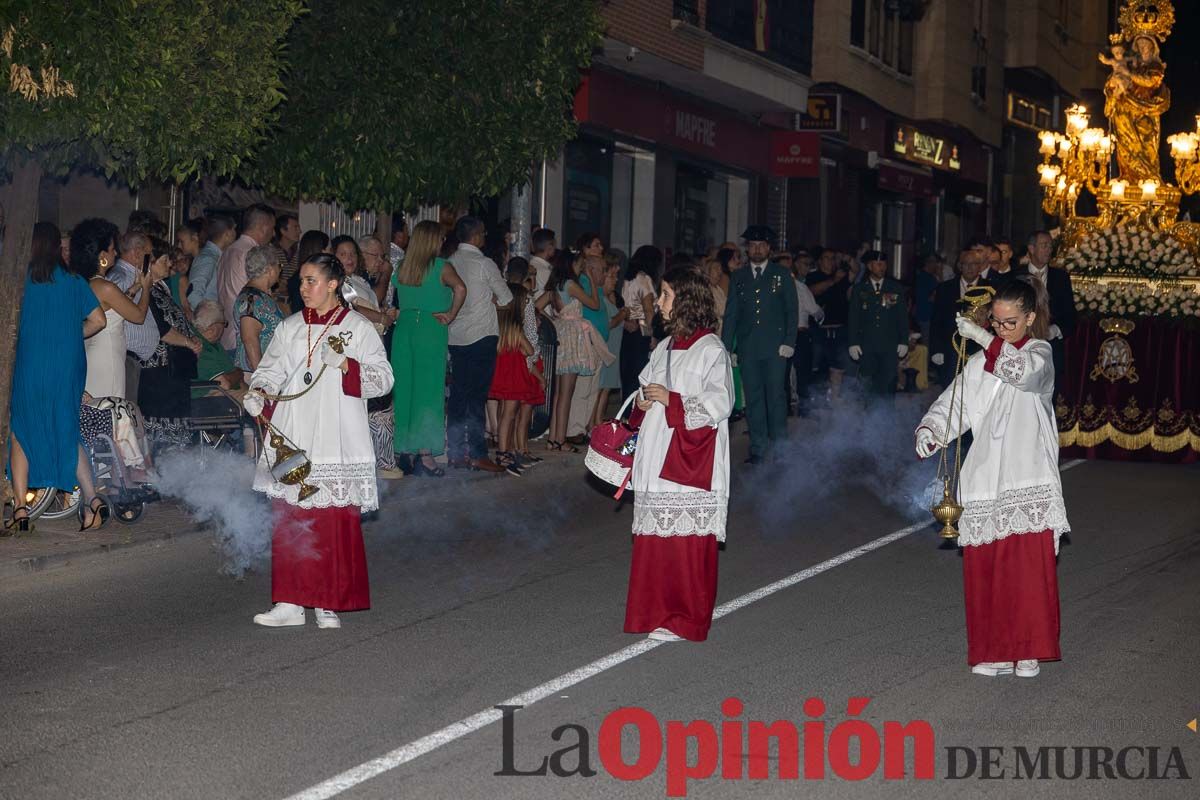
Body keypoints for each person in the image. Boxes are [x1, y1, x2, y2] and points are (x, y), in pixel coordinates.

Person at [915, 278, 1068, 678]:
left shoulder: (1040, 353)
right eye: (997, 323)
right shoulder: (983, 359)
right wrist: (931, 431)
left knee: (1025, 570)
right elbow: (958, 401)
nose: (1003, 330)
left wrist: (984, 338)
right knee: (990, 568)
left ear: (1030, 318)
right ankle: (996, 648)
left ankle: (1028, 648)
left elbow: (1022, 374)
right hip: (986, 473)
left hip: (1026, 473)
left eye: (1010, 323)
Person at [243, 253, 394, 629]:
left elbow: (384, 379)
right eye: (301, 281)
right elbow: (271, 370)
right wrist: (259, 390)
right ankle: (290, 602)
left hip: (336, 435)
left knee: (329, 519)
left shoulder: (358, 328)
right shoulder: (290, 326)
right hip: (294, 433)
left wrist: (347, 365)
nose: (303, 288)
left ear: (332, 285)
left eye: (311, 281)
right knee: (291, 517)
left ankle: (327, 602)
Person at [624, 266, 733, 643]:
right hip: (657, 453)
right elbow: (641, 391)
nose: (661, 301)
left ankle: (686, 619)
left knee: (685, 547)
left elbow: (721, 403)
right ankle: (655, 613)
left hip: (689, 459)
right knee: (656, 543)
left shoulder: (711, 349)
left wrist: (672, 400)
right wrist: (642, 398)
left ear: (686, 301)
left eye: (667, 294)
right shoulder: (665, 347)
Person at [7, 222, 110, 533]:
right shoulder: (75, 282)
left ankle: (21, 509)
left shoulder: (20, 282)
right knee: (67, 432)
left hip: (30, 366)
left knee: (21, 431)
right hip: (66, 368)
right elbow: (99, 319)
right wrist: (69, 336)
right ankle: (93, 501)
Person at [391, 220, 466, 478]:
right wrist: (451, 314)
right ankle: (425, 455)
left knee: (405, 390)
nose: (443, 242)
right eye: (441, 238)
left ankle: (403, 452)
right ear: (433, 241)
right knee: (429, 392)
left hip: (404, 328)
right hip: (431, 330)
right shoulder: (442, 267)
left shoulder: (402, 267)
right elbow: (460, 288)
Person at [721, 225, 798, 465]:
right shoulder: (739, 276)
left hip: (776, 348)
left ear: (769, 249)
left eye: (761, 245)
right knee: (753, 398)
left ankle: (780, 448)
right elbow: (731, 314)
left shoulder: (782, 275)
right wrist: (727, 348)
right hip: (748, 348)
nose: (757, 249)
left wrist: (789, 341)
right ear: (747, 249)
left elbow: (791, 311)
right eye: (752, 245)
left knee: (775, 397)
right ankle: (758, 448)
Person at [446, 217, 512, 472]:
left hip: (456, 335)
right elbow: (505, 297)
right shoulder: (484, 263)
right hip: (482, 335)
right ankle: (476, 453)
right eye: (483, 233)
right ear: (475, 237)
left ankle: (454, 452)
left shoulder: (450, 261)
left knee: (458, 396)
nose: (484, 237)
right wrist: (490, 299)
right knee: (476, 397)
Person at [538, 251, 610, 452]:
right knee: (566, 394)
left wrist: (554, 321)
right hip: (572, 339)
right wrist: (593, 284)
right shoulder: (570, 284)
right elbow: (594, 304)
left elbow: (535, 306)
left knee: (558, 394)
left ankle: (554, 438)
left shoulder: (554, 287)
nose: (582, 269)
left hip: (560, 335)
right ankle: (560, 440)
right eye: (580, 265)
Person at [138, 238, 203, 453]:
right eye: (165, 260)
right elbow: (161, 328)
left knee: (177, 429)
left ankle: (175, 476)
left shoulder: (161, 288)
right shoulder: (145, 291)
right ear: (152, 263)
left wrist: (192, 341)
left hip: (174, 369)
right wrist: (188, 343)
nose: (170, 265)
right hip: (159, 371)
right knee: (161, 432)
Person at [80, 219, 152, 399]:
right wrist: (146, 289)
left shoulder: (89, 282)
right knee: (109, 406)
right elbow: (138, 316)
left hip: (98, 351)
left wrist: (135, 288)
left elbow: (115, 307)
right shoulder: (105, 287)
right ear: (103, 256)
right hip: (107, 355)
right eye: (112, 250)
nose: (116, 253)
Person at [488, 283, 545, 476]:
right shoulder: (515, 330)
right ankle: (504, 453)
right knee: (509, 416)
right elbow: (529, 350)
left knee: (504, 413)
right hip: (513, 379)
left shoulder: (498, 328)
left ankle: (505, 450)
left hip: (500, 377)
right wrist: (522, 349)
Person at [1015, 231, 1076, 396]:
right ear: (1031, 248)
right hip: (1020, 348)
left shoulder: (1061, 277)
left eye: (1050, 246)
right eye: (1044, 245)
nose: (1049, 250)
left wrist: (1055, 330)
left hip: (1050, 350)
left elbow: (1070, 315)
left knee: (1049, 397)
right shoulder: (1015, 276)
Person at [566, 235, 610, 445]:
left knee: (592, 387)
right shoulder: (582, 283)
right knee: (583, 387)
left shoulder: (598, 288)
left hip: (596, 343)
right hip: (586, 341)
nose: (605, 274)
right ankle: (574, 429)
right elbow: (590, 307)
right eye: (602, 270)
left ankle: (582, 427)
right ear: (591, 270)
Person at [847, 250, 909, 400]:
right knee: (868, 384)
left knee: (888, 383)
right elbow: (853, 317)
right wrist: (853, 342)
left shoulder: (895, 288)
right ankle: (870, 420)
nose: (881, 267)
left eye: (884, 264)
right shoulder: (860, 289)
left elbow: (902, 316)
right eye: (878, 264)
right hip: (867, 345)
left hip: (889, 345)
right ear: (869, 266)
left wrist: (903, 341)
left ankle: (887, 419)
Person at [217, 203, 275, 352]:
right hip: (245, 336)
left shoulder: (228, 250)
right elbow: (256, 298)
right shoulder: (253, 254)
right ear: (264, 227)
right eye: (272, 228)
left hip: (226, 334)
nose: (273, 234)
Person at [807, 247, 855, 404]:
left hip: (840, 328)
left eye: (833, 258)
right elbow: (813, 291)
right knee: (817, 363)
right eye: (827, 258)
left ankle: (835, 397)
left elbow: (856, 270)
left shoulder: (842, 276)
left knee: (839, 362)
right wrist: (833, 280)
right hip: (819, 329)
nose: (831, 261)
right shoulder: (813, 276)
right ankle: (816, 399)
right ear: (820, 261)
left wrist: (847, 259)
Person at [930, 248, 986, 385]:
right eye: (966, 264)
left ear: (980, 266)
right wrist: (936, 349)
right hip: (951, 349)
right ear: (959, 266)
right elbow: (937, 321)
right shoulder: (945, 288)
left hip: (980, 349)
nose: (970, 268)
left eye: (974, 264)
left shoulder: (990, 288)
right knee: (950, 389)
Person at [233, 245, 284, 373]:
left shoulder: (259, 296)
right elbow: (249, 340)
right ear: (270, 269)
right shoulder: (251, 300)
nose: (280, 270)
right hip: (256, 375)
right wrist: (261, 378)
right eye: (279, 265)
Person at [620, 245, 660, 400]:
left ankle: (626, 413)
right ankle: (636, 415)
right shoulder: (644, 279)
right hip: (642, 329)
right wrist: (653, 335)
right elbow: (648, 310)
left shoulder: (628, 279)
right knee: (640, 373)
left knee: (628, 373)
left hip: (628, 328)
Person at [593, 257, 629, 428]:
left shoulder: (611, 298)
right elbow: (608, 323)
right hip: (606, 348)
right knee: (600, 388)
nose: (615, 280)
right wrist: (622, 315)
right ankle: (594, 423)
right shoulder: (600, 299)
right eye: (612, 276)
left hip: (614, 348)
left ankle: (597, 422)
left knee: (606, 388)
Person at [791, 264, 823, 416]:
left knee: (785, 376)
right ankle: (803, 411)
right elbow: (814, 310)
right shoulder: (800, 287)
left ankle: (789, 412)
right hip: (798, 334)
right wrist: (821, 314)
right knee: (803, 374)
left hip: (786, 336)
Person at [183, 215, 233, 308]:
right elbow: (193, 295)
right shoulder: (208, 258)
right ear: (228, 234)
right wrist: (209, 318)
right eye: (234, 230)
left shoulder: (217, 256)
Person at [288, 230, 331, 314]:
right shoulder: (314, 279)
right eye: (330, 249)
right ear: (323, 251)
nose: (332, 253)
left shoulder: (297, 277)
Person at [273, 212, 301, 285]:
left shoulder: (299, 253)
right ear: (283, 231)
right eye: (296, 227)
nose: (300, 231)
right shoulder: (271, 252)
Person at [529, 228, 557, 299]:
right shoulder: (545, 270)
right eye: (554, 246)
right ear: (549, 248)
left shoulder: (531, 264)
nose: (555, 248)